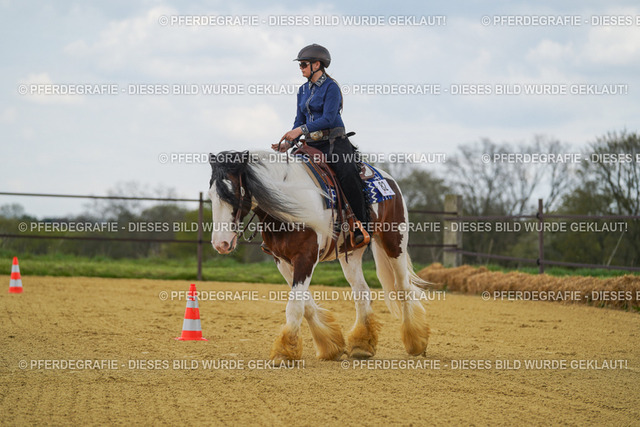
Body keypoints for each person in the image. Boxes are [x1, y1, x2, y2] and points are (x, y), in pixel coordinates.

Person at [271, 43, 370, 246]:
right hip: (311, 145)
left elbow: (328, 118)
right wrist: (289, 143)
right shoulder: (302, 90)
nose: (301, 68)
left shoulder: (331, 87)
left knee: (348, 174)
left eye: (304, 64)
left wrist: (300, 131)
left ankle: (360, 225)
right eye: (300, 65)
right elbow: (299, 120)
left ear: (317, 65)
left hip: (334, 143)